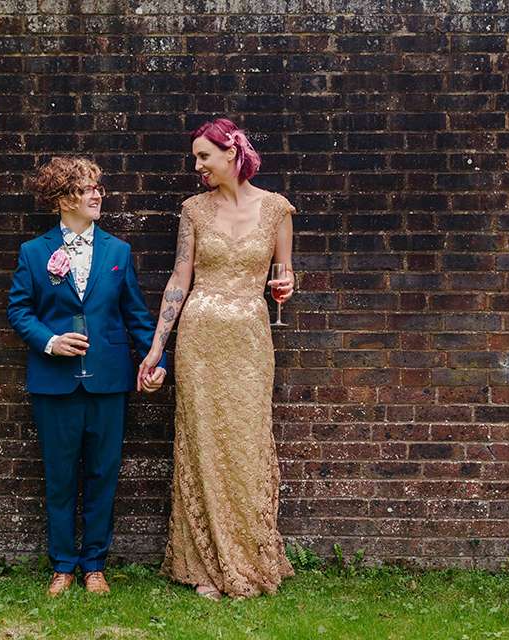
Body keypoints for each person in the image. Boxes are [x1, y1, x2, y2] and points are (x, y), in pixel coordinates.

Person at [137, 118, 296, 599]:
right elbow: (179, 279)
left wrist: (286, 286)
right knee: (202, 443)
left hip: (249, 339)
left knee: (246, 442)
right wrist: (157, 347)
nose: (198, 166)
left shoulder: (277, 209)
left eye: (204, 156)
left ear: (232, 153)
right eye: (195, 158)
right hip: (200, 339)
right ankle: (206, 565)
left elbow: (285, 272)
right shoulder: (193, 211)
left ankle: (248, 557)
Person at [7, 156, 166, 597]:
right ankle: (62, 565)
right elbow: (19, 310)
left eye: (98, 187)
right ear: (63, 199)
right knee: (59, 477)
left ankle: (94, 564)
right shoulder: (34, 253)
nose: (97, 195)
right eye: (86, 188)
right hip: (54, 383)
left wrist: (155, 361)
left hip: (108, 382)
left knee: (103, 474)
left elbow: (136, 316)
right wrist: (50, 341)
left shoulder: (118, 252)